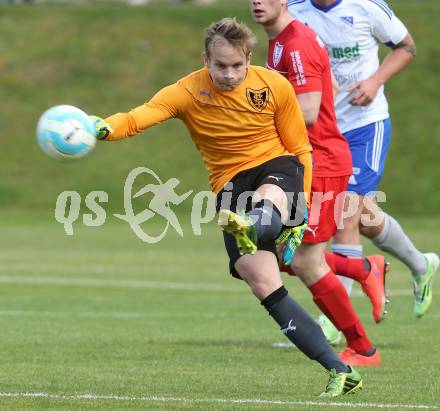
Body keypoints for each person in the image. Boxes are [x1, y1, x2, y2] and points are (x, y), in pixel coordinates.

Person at [89, 17, 362, 397]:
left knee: (267, 198)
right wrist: (102, 127)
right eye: (220, 65)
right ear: (206, 59)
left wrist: (301, 208)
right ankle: (340, 370)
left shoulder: (274, 85)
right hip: (231, 187)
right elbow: (138, 118)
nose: (229, 74)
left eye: (237, 65)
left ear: (249, 58)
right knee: (263, 283)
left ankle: (255, 224)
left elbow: (300, 148)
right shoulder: (186, 90)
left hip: (277, 168)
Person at [288, 0, 439, 340]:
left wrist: (374, 82)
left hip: (363, 127)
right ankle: (421, 264)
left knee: (345, 215)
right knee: (365, 218)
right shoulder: (294, 11)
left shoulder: (366, 7)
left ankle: (334, 318)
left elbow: (406, 46)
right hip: (320, 133)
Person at [250, 0, 385, 366]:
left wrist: (252, 110)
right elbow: (327, 91)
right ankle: (362, 270)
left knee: (305, 261)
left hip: (320, 162)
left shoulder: (296, 43)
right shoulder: (279, 39)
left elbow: (308, 110)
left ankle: (362, 348)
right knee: (277, 256)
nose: (257, 1)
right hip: (303, 160)